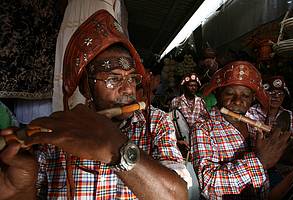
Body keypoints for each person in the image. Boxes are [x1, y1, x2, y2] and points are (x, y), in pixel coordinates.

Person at [0, 10, 190, 199]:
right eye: (113, 80)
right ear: (86, 88)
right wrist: (22, 188)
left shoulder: (156, 122)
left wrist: (114, 147)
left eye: (132, 78)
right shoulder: (60, 131)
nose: (128, 89)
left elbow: (177, 196)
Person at [190, 61, 293, 199]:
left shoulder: (254, 125)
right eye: (229, 94)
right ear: (218, 93)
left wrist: (283, 151)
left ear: (253, 98)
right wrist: (260, 161)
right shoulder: (203, 128)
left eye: (245, 96)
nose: (238, 101)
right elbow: (208, 184)